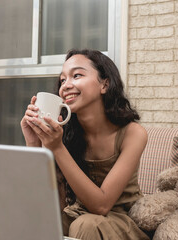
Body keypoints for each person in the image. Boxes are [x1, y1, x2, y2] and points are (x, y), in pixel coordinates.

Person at [20, 49, 149, 240]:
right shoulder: (63, 135)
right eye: (62, 80)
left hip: (123, 223)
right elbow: (54, 206)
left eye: (77, 75)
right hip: (78, 216)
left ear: (104, 84)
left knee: (86, 225)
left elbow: (101, 206)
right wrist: (35, 143)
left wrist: (57, 148)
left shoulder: (133, 133)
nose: (66, 86)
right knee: (31, 219)